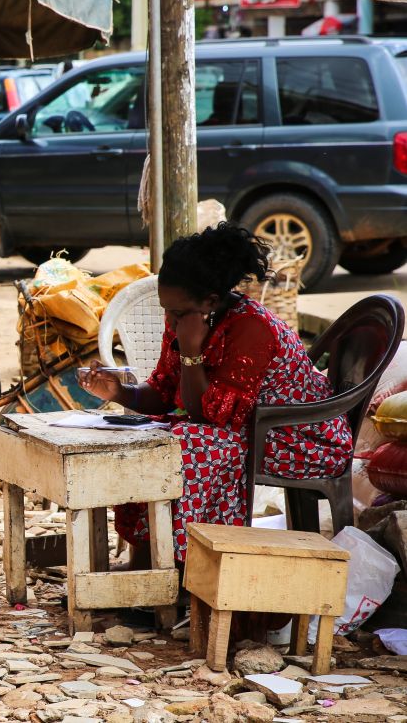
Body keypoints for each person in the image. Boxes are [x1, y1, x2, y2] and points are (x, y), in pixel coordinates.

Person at [78, 223, 352, 565]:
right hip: (245, 427)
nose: (169, 319)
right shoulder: (185, 319)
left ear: (210, 301)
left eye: (176, 312)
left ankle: (186, 570)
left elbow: (206, 416)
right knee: (145, 441)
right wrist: (121, 392)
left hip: (300, 437)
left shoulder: (252, 328)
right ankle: (147, 565)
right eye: (166, 308)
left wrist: (191, 351)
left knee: (186, 444)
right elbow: (164, 394)